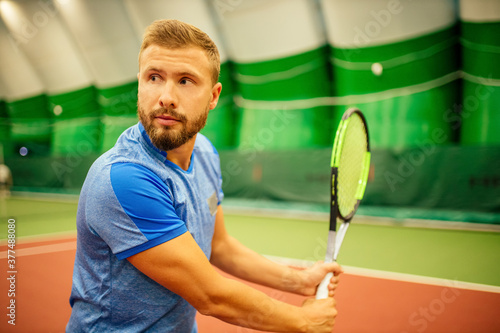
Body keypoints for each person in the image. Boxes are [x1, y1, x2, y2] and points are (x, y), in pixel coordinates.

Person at [67, 19, 342, 333]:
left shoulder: (206, 153)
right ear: (140, 83)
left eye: (185, 81)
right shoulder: (123, 179)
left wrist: (299, 280)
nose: (166, 96)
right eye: (154, 77)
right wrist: (304, 321)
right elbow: (211, 295)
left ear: (213, 96)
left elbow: (220, 246)